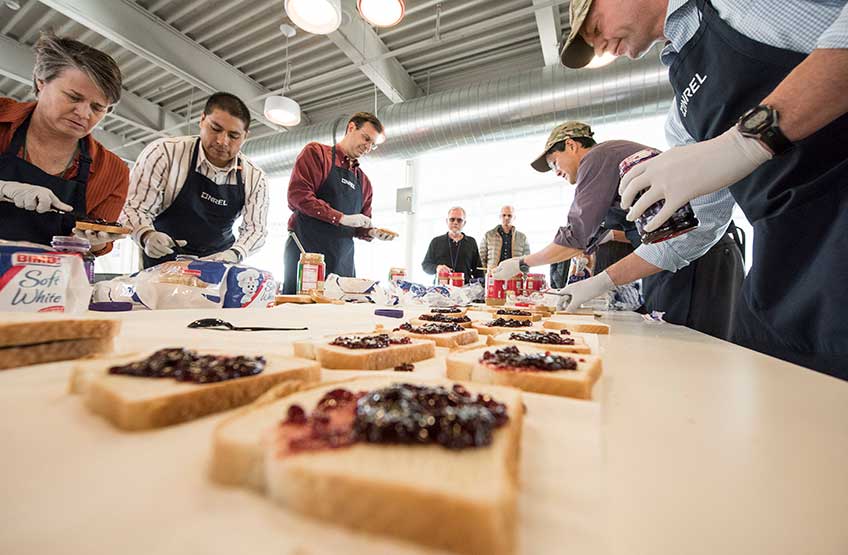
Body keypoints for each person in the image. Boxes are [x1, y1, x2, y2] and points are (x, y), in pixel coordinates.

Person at [557, 0, 848, 378]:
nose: (601, 46)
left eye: (595, 28)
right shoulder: (682, 116)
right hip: (788, 270)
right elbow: (693, 232)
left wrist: (744, 142)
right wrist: (601, 281)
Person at [493, 121, 744, 340]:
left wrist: (522, 263)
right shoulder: (611, 162)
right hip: (682, 257)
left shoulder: (597, 158)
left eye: (554, 162)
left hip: (695, 254)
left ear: (571, 145)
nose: (555, 171)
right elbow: (586, 239)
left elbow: (574, 238)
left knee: (684, 354)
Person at [0, 32, 128, 255]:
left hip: (45, 282)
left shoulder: (113, 171)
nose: (83, 113)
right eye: (73, 97)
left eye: (97, 108)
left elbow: (95, 246)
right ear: (41, 82)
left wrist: (94, 242)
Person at [122, 92, 268, 269]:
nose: (222, 141)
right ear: (202, 120)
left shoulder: (254, 177)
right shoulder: (164, 153)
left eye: (234, 135)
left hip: (217, 266)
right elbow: (134, 208)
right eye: (215, 128)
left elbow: (256, 229)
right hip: (162, 263)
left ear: (245, 136)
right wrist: (146, 235)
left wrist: (235, 253)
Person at [282, 112, 394, 294]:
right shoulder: (317, 154)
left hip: (343, 262)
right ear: (351, 128)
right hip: (308, 255)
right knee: (300, 314)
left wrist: (372, 231)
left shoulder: (364, 182)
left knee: (340, 316)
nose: (367, 146)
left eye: (372, 144)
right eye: (366, 138)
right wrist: (341, 218)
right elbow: (298, 196)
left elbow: (361, 224)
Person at [422, 207, 484, 283]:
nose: (455, 222)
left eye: (459, 220)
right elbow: (425, 265)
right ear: (446, 221)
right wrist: (437, 268)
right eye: (452, 219)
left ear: (464, 223)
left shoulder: (471, 242)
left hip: (465, 290)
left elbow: (478, 270)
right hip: (442, 288)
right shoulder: (436, 241)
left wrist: (481, 287)